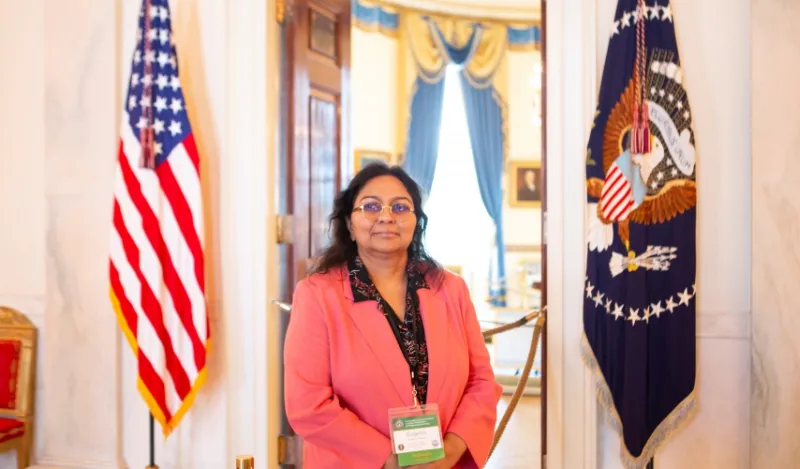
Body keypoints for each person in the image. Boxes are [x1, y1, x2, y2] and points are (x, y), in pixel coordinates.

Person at [284, 163, 502, 468]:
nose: (386, 216)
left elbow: (482, 382)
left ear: (416, 221)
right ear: (349, 223)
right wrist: (390, 459)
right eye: (371, 206)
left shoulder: (451, 289)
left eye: (400, 207)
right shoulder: (317, 295)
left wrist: (450, 451)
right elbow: (308, 405)